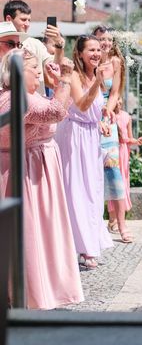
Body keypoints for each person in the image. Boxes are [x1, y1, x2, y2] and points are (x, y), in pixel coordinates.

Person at [0, 49, 84, 309]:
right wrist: (67, 78)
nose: (38, 70)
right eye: (33, 67)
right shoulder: (19, 99)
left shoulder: (16, 96)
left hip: (30, 167)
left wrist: (56, 83)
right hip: (28, 170)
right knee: (32, 232)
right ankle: (32, 293)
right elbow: (55, 112)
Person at [55, 35, 113, 269]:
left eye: (99, 49)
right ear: (79, 54)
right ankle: (80, 247)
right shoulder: (77, 77)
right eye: (91, 50)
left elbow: (94, 110)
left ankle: (89, 242)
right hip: (74, 136)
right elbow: (80, 105)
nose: (96, 54)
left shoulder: (93, 75)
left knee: (93, 189)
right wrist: (98, 83)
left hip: (91, 136)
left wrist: (101, 121)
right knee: (75, 189)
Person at [92, 27, 129, 239]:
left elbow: (115, 92)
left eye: (108, 39)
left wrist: (108, 111)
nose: (105, 43)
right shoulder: (88, 63)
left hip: (108, 119)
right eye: (100, 39)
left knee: (114, 172)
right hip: (89, 117)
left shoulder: (115, 63)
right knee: (92, 172)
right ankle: (96, 224)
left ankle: (122, 225)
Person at [3, 0, 66, 94]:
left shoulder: (35, 44)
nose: (27, 24)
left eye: (29, 20)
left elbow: (55, 66)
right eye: (23, 19)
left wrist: (59, 45)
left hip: (37, 105)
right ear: (9, 19)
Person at [113, 98, 142, 221]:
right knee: (113, 182)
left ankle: (120, 219)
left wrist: (137, 141)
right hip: (112, 150)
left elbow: (129, 138)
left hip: (123, 151)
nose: (119, 104)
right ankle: (112, 219)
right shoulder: (107, 115)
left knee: (123, 182)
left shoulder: (127, 117)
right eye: (116, 102)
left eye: (121, 102)